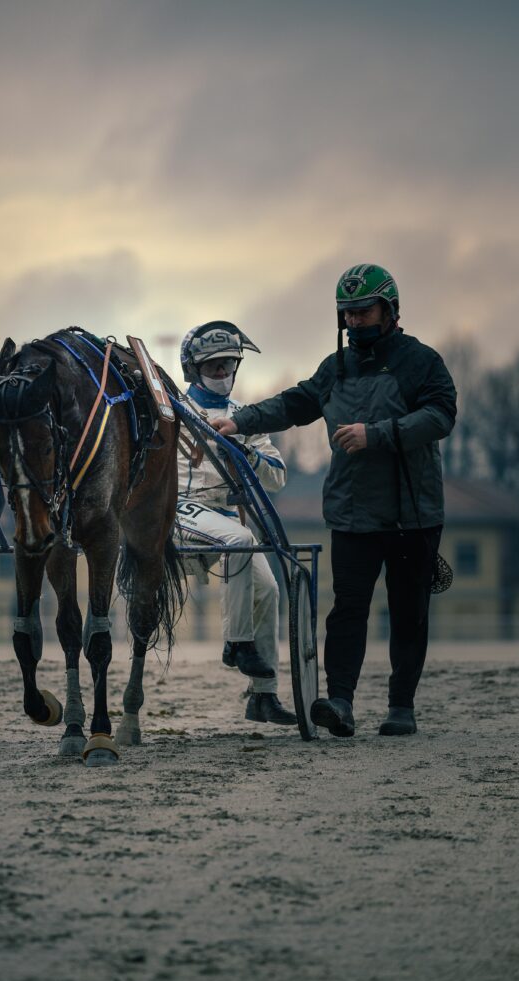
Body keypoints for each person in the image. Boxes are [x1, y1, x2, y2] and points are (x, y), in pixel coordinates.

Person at [212, 265, 457, 737]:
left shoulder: (422, 362)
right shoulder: (336, 367)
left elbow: (440, 416)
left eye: (364, 312)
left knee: (409, 612)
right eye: (347, 314)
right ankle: (340, 703)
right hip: (352, 513)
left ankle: (400, 706)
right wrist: (241, 422)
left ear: (390, 310)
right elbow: (295, 403)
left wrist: (377, 434)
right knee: (347, 611)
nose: (355, 322)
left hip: (414, 514)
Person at [176, 320, 297, 726]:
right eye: (214, 367)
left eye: (229, 365)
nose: (223, 374)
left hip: (229, 518)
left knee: (271, 590)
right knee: (241, 539)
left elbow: (277, 477)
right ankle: (236, 642)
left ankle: (263, 696)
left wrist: (244, 448)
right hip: (179, 509)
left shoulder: (244, 417)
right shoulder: (172, 412)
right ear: (193, 370)